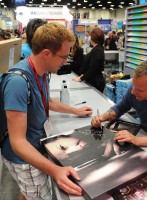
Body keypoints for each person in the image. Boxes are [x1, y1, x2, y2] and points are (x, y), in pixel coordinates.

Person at [0, 22, 93, 200]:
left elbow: (46, 101)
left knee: (28, 191)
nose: (65, 62)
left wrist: (76, 111)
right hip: (24, 158)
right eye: (63, 57)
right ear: (46, 53)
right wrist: (55, 170)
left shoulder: (42, 71)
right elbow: (18, 142)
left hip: (36, 143)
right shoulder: (17, 82)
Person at [73, 28, 106, 93]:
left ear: (93, 38)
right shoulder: (97, 49)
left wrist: (80, 78)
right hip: (93, 81)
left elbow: (92, 70)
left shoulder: (97, 51)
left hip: (95, 83)